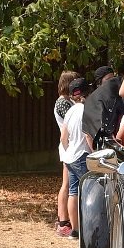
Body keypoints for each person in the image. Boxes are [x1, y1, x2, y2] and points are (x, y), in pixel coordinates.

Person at [60, 76, 92, 239]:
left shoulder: (71, 111)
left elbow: (63, 137)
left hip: (70, 156)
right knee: (90, 192)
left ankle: (75, 230)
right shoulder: (87, 110)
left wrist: (67, 151)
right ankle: (89, 229)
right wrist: (94, 152)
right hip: (82, 155)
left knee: (74, 192)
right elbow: (87, 135)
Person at [52, 71, 77, 237]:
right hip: (68, 146)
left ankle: (65, 220)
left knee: (67, 183)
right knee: (67, 184)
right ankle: (63, 221)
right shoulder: (62, 103)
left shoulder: (67, 101)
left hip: (69, 145)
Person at [80, 64, 124, 148]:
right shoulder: (93, 103)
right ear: (99, 82)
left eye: (113, 79)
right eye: (108, 80)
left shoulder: (121, 98)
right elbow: (88, 134)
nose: (112, 83)